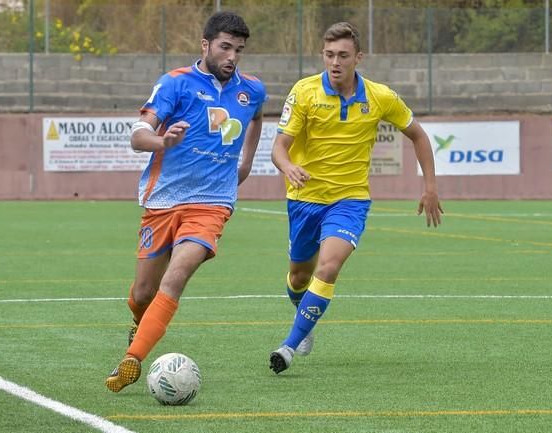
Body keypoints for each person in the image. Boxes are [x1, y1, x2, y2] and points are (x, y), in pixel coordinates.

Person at [105, 11, 267, 392]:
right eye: (225, 47)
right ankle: (140, 325)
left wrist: (246, 161)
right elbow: (138, 134)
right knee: (143, 293)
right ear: (205, 44)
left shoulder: (252, 90)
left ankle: (132, 361)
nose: (232, 56)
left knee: (176, 276)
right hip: (163, 200)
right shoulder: (175, 84)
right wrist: (163, 142)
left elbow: (257, 117)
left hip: (212, 203)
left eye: (239, 50)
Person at [268, 22, 443, 374]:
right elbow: (279, 148)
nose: (335, 62)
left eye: (343, 56)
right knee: (299, 277)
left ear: (358, 58)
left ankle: (287, 346)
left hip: (350, 200)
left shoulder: (380, 97)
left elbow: (418, 135)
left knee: (329, 267)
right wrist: (287, 166)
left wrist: (430, 186)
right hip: (304, 199)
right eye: (329, 55)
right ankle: (302, 313)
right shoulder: (303, 92)